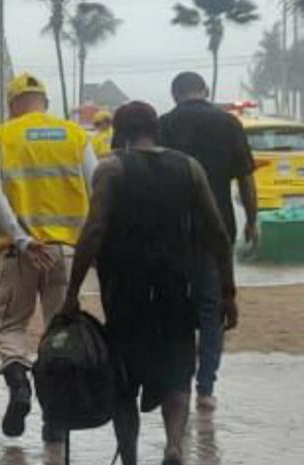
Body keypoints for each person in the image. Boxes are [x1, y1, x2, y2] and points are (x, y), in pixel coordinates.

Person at [61, 101, 238, 465]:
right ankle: (174, 445)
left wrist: (72, 291)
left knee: (124, 379)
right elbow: (217, 232)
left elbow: (93, 232)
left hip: (125, 290)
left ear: (119, 134)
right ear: (155, 129)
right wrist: (227, 290)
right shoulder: (189, 168)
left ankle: (129, 457)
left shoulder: (111, 170)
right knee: (177, 371)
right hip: (177, 286)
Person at [0, 73, 97, 442]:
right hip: (67, 254)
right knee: (59, 335)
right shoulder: (76, 135)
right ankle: (57, 422)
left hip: (22, 254)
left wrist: (20, 238)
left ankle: (19, 386)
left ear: (13, 104)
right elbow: (98, 187)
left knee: (10, 325)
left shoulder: (1, 135)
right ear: (44, 102)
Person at [159, 72, 258, 411]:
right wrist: (253, 221)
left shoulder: (164, 124)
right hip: (217, 231)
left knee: (174, 308)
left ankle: (179, 383)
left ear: (175, 95)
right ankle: (206, 388)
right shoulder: (228, 123)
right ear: (205, 91)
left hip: (171, 233)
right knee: (211, 309)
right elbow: (245, 178)